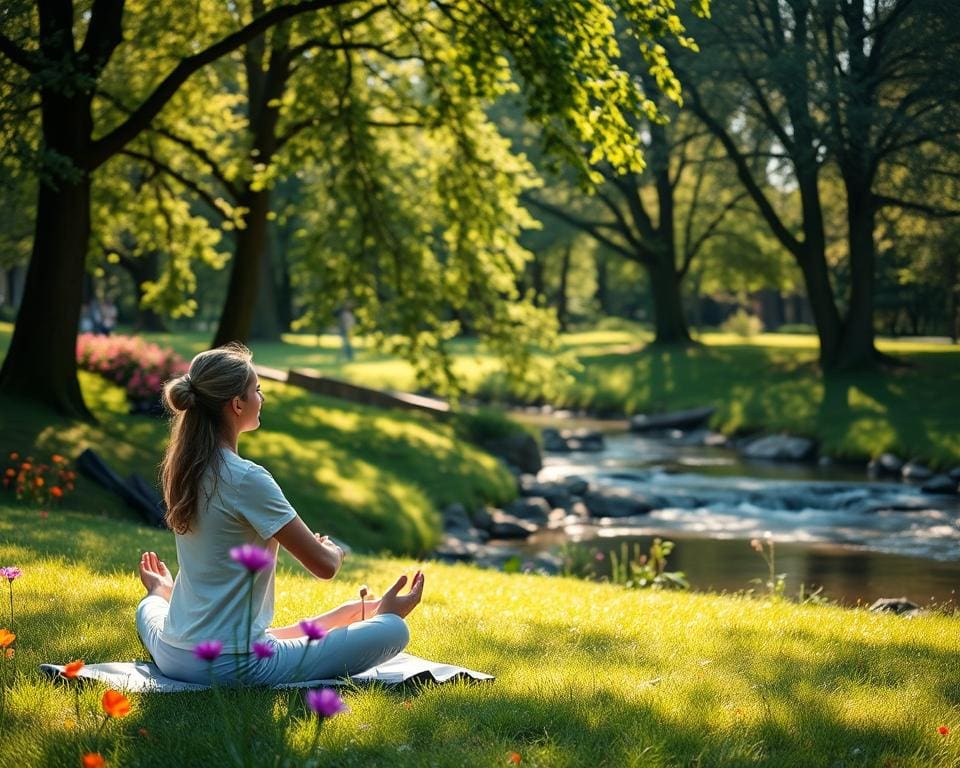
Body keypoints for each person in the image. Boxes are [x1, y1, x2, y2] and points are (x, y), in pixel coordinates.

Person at [136, 342, 424, 685]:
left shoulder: (183, 469)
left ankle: (158, 593)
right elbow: (325, 566)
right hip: (233, 665)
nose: (262, 398)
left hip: (173, 653)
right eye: (256, 390)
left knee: (150, 610)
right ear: (237, 404)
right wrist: (333, 550)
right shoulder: (246, 478)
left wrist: (343, 616)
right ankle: (381, 617)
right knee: (393, 630)